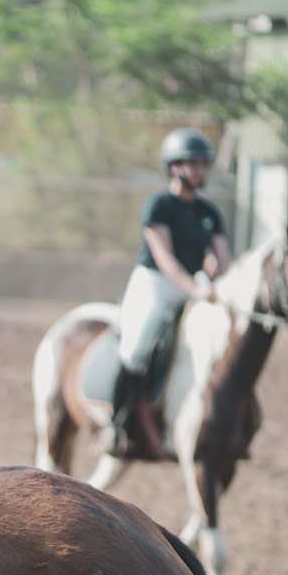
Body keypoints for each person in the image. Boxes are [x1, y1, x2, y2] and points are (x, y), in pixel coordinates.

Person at [110, 127, 230, 454]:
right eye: (192, 164)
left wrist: (214, 269)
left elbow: (221, 256)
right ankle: (118, 425)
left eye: (203, 164)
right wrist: (195, 287)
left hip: (195, 286)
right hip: (155, 284)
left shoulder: (209, 212)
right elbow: (165, 260)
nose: (199, 171)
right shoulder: (159, 205)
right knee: (136, 348)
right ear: (174, 167)